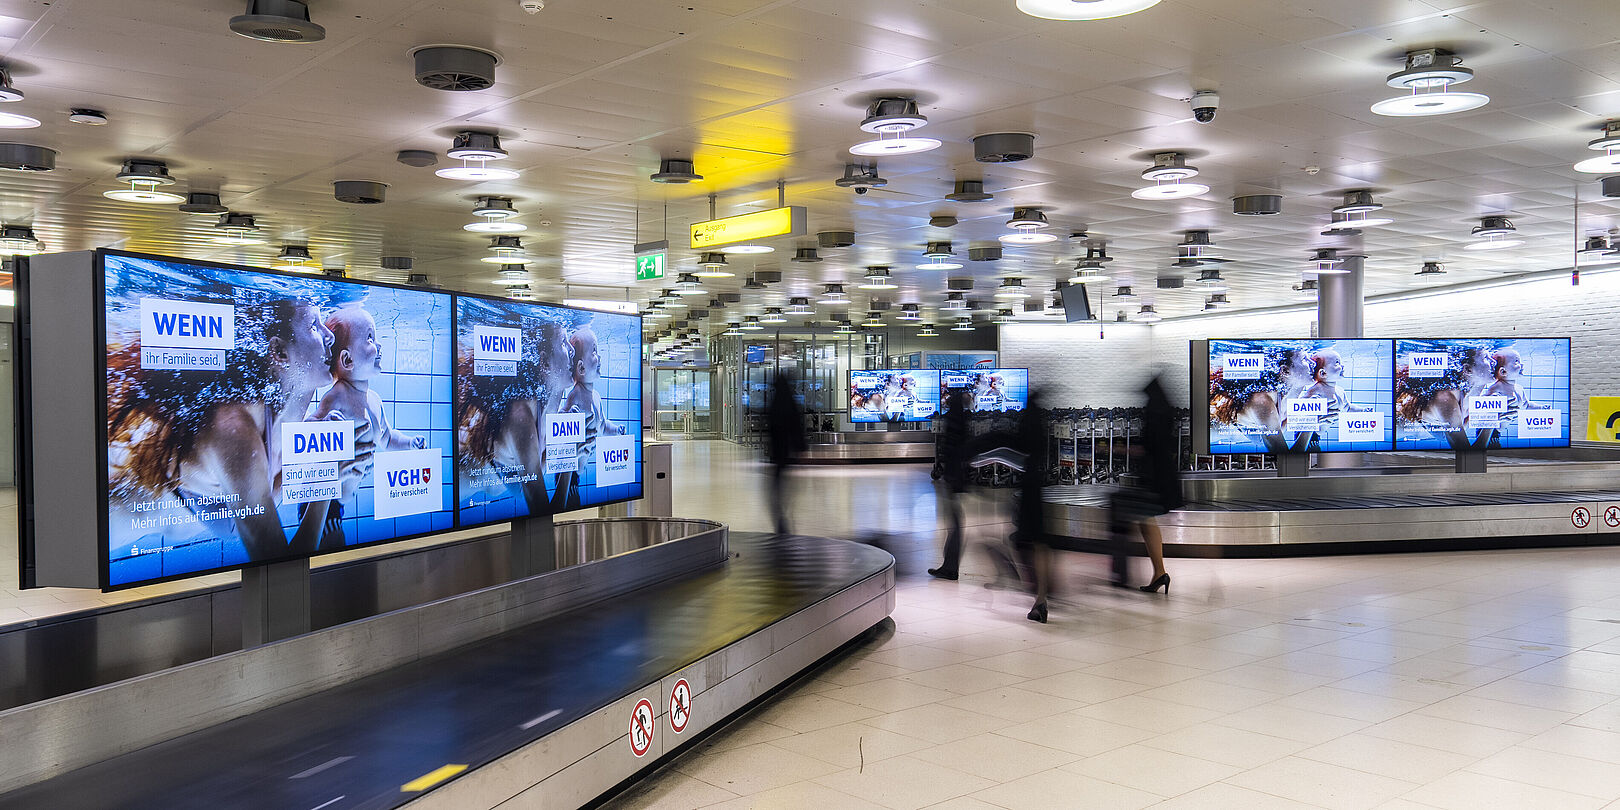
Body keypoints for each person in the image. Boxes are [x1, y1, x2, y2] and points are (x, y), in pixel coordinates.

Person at [108, 297, 362, 562]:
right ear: (279, 352)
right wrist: (324, 482)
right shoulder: (233, 429)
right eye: (313, 325)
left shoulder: (297, 392)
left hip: (197, 514)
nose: (329, 335)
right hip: (133, 511)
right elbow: (277, 570)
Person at [309, 306, 426, 547]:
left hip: (340, 503)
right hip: (324, 504)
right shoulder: (337, 397)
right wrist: (322, 425)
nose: (378, 345)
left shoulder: (374, 401)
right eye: (370, 338)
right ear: (347, 360)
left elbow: (387, 438)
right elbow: (307, 429)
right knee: (333, 558)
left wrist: (409, 444)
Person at [1125, 376, 1182, 594]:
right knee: (1145, 521)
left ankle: (1159, 572)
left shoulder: (1154, 413)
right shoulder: (1164, 411)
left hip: (1154, 476)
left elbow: (1148, 447)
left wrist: (1118, 450)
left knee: (1144, 520)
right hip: (1161, 474)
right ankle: (1159, 573)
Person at [1013, 390, 1052, 622]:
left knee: (1028, 541)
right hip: (1038, 486)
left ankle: (1041, 596)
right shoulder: (1042, 428)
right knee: (1038, 543)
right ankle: (1041, 593)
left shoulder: (1027, 426)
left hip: (1030, 489)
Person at [928, 390, 970, 581]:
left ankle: (950, 566)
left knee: (954, 522)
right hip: (958, 476)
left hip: (953, 477)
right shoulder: (962, 420)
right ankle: (949, 564)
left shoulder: (952, 421)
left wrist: (945, 471)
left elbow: (951, 449)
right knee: (954, 521)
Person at [765, 370, 807, 534]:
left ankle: (780, 517)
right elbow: (796, 426)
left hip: (777, 452)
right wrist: (800, 448)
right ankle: (784, 515)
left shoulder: (775, 402)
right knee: (784, 486)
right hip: (787, 452)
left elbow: (772, 428)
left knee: (777, 486)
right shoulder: (789, 402)